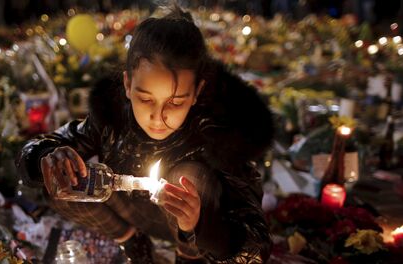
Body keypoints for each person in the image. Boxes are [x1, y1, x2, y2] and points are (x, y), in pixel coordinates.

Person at [17, 5, 274, 263]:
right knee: (62, 177)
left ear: (196, 92)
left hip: (194, 228)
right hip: (132, 211)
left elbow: (255, 247)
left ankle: (187, 255)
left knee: (187, 179)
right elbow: (42, 148)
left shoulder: (222, 132)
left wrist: (199, 225)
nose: (158, 116)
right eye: (145, 99)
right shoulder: (112, 115)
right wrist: (46, 155)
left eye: (175, 102)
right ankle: (130, 239)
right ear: (128, 85)